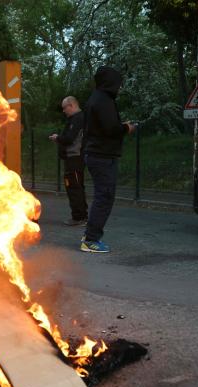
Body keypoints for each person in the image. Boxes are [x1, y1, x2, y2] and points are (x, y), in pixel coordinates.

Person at [81, 66, 135, 253]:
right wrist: (126, 128)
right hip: (102, 156)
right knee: (104, 197)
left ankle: (90, 234)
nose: (119, 88)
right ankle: (90, 240)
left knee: (102, 196)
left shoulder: (95, 99)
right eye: (118, 84)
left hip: (97, 154)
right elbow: (110, 129)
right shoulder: (103, 101)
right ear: (111, 83)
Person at [49, 96, 88, 226]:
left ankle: (80, 217)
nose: (64, 111)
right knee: (72, 187)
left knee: (75, 187)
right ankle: (79, 216)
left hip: (75, 159)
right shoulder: (75, 119)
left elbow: (70, 138)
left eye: (64, 108)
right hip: (72, 159)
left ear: (71, 105)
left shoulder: (78, 119)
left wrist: (57, 138)